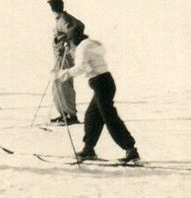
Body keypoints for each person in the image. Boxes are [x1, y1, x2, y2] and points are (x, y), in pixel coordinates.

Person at [55, 25, 139, 164]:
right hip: (105, 81)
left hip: (100, 83)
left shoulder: (82, 47)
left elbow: (80, 67)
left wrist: (64, 74)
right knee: (91, 116)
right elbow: (89, 60)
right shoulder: (91, 43)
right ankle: (89, 149)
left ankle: (130, 149)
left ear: (74, 39)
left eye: (70, 42)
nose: (70, 44)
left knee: (110, 117)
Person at [46, 0, 81, 125]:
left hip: (64, 57)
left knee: (63, 84)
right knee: (58, 84)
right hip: (60, 57)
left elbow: (73, 30)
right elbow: (80, 25)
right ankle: (64, 114)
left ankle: (71, 115)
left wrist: (68, 43)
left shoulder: (63, 20)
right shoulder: (64, 18)